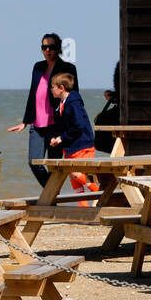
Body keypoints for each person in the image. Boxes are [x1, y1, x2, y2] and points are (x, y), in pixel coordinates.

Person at [6, 33, 78, 186]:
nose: (47, 50)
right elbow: (33, 94)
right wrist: (25, 121)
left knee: (54, 166)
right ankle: (51, 194)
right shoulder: (38, 67)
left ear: (57, 48)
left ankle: (51, 202)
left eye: (51, 47)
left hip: (56, 125)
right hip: (37, 125)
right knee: (34, 162)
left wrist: (73, 124)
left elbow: (74, 97)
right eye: (44, 47)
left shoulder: (67, 68)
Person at [47, 72, 100, 203]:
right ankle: (83, 205)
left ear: (61, 88)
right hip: (71, 146)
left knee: (78, 173)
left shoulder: (74, 103)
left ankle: (100, 194)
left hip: (83, 144)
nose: (50, 90)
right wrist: (58, 138)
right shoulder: (62, 103)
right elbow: (65, 125)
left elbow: (79, 126)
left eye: (52, 87)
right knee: (72, 174)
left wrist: (62, 138)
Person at [93, 61, 122, 154]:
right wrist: (114, 96)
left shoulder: (121, 65)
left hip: (122, 112)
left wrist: (114, 96)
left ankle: (116, 150)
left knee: (101, 119)